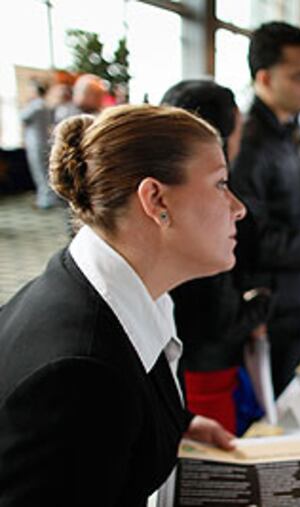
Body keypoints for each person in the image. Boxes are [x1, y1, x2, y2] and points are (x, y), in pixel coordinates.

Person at [0, 104, 243, 505]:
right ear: (155, 199)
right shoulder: (80, 376)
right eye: (220, 184)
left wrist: (175, 425)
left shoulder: (95, 285)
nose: (237, 207)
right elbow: (96, 400)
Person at [231, 21, 300, 396]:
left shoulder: (287, 133)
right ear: (264, 78)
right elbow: (247, 237)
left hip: (299, 292)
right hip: (274, 305)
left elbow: (290, 209)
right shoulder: (250, 145)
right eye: (298, 76)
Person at [161, 80, 267, 435]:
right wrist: (262, 304)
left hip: (172, 365)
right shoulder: (204, 218)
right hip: (204, 371)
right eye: (221, 185)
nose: (236, 209)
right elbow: (215, 321)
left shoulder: (172, 200)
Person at [19, 79, 58, 209]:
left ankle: (45, 200)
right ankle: (48, 198)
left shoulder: (34, 106)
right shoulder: (46, 105)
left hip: (35, 142)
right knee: (46, 171)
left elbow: (22, 117)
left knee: (39, 172)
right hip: (45, 140)